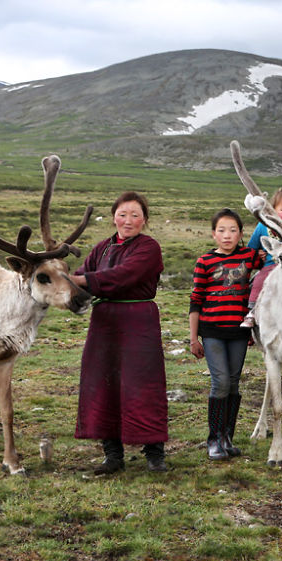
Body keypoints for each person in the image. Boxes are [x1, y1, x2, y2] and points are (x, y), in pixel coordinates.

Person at [71, 191, 168, 474]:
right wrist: (66, 287)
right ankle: (112, 455)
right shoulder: (101, 248)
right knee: (104, 384)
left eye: (135, 215)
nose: (128, 221)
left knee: (144, 384)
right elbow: (81, 276)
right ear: (114, 216)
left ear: (144, 221)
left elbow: (125, 275)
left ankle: (154, 453)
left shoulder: (149, 247)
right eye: (123, 214)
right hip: (104, 325)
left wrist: (83, 280)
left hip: (139, 321)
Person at [189, 209, 263, 460]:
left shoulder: (250, 256)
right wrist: (193, 338)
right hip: (212, 331)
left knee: (232, 383)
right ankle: (213, 439)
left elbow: (272, 265)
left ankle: (226, 437)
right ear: (213, 234)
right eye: (221, 230)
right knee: (220, 382)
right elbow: (196, 300)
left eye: (233, 230)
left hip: (239, 331)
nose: (227, 235)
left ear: (241, 234)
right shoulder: (205, 261)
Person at [240, 188, 282, 328]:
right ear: (273, 209)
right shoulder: (262, 226)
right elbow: (251, 249)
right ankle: (253, 311)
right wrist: (258, 255)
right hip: (270, 267)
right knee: (259, 281)